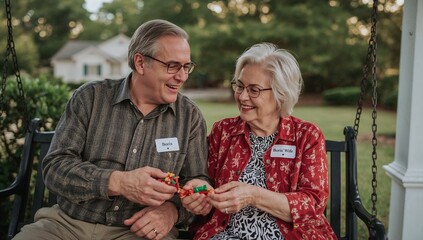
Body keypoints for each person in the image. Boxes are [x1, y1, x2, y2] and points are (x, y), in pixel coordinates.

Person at [13, 19, 211, 240]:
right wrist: (118, 182)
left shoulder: (189, 117)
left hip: (138, 232)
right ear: (140, 62)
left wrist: (173, 211)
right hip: (66, 225)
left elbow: (197, 180)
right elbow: (55, 167)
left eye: (186, 67)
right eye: (172, 66)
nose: (182, 76)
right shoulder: (91, 98)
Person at [184, 43, 337, 239]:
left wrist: (254, 196)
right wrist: (199, 190)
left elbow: (312, 204)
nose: (242, 96)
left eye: (254, 90)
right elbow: (206, 182)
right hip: (227, 234)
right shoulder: (224, 131)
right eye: (239, 86)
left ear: (281, 93)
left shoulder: (306, 136)